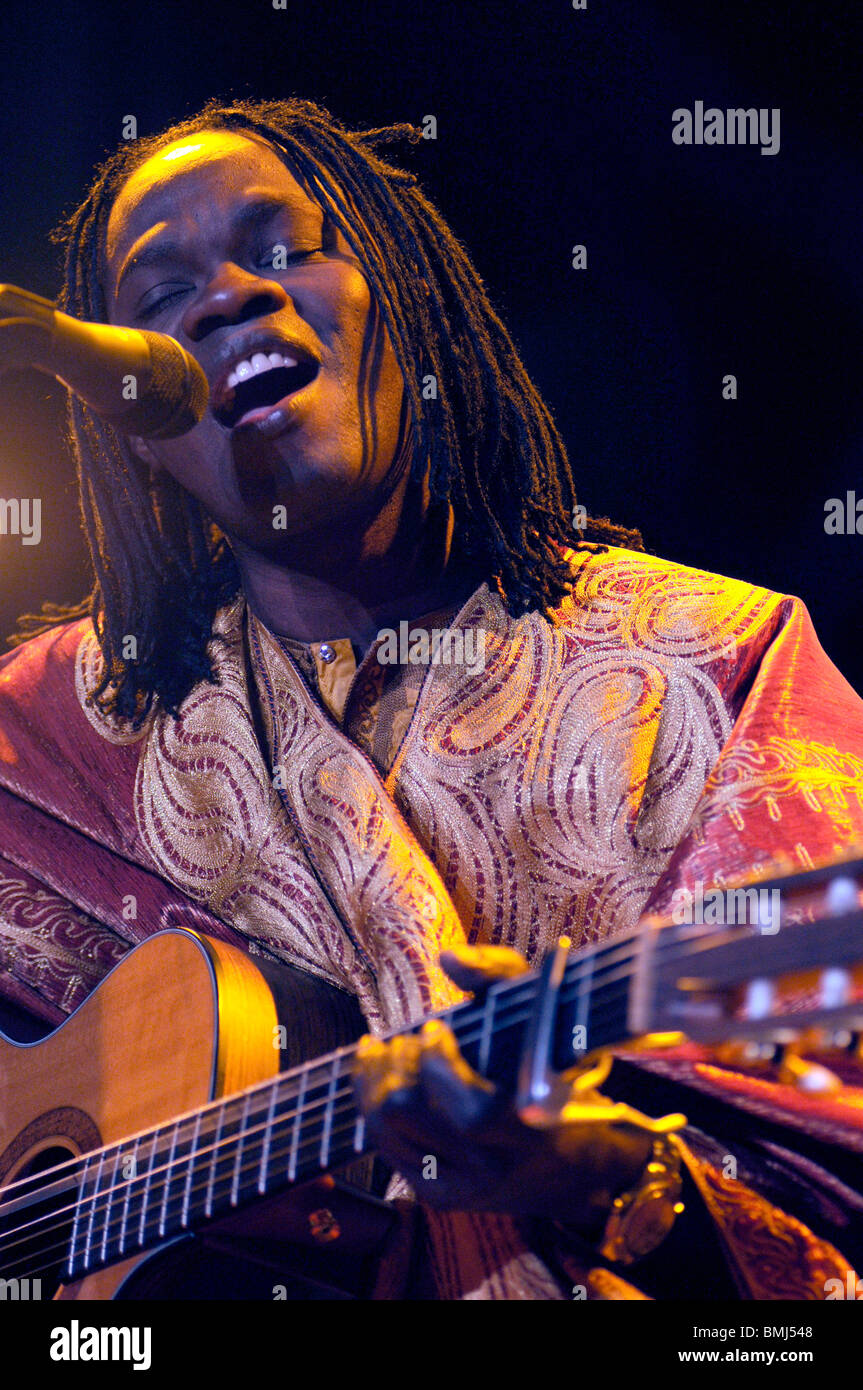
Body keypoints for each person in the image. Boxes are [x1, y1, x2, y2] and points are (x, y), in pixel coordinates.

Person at [1, 97, 862, 1300]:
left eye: (283, 247)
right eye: (157, 298)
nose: (228, 296)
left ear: (404, 303)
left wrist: (599, 1176)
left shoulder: (715, 670)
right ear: (130, 426)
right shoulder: (49, 745)